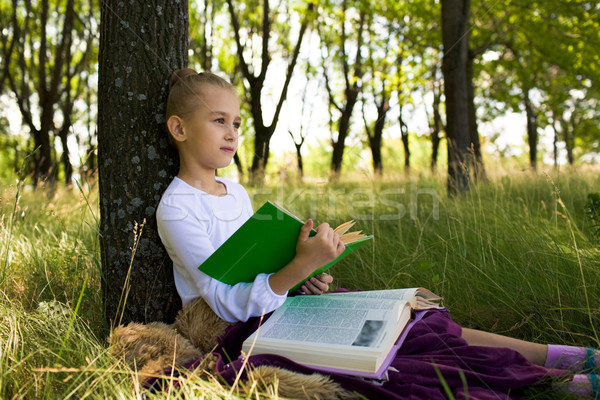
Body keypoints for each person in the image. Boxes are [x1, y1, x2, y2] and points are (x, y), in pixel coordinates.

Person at [156, 68, 598, 398]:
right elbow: (226, 302)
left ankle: (562, 354)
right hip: (241, 329)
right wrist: (297, 268)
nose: (232, 132)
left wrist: (307, 272)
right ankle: (557, 385)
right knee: (410, 365)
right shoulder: (176, 208)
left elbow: (259, 265)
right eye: (218, 121)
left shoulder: (235, 191)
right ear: (179, 128)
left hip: (283, 303)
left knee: (420, 323)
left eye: (236, 122)